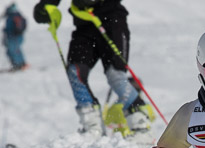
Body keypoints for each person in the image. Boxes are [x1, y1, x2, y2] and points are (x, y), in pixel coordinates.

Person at [33, 0, 152, 139]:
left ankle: (142, 127)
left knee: (115, 75)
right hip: (84, 25)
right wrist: (44, 7)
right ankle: (93, 128)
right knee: (75, 71)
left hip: (112, 20)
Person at [2, 3, 28, 71]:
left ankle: (19, 64)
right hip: (11, 37)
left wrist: (16, 31)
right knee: (11, 50)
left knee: (14, 50)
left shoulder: (15, 16)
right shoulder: (12, 16)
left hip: (15, 37)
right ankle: (17, 64)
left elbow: (18, 27)